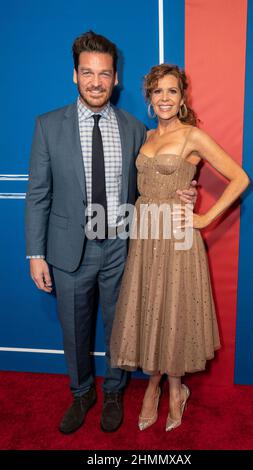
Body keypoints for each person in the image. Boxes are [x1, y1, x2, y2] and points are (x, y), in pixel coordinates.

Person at [25, 32, 197, 434]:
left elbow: (150, 182)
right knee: (74, 329)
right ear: (75, 76)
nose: (96, 82)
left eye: (104, 73)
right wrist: (35, 254)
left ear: (116, 77)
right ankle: (82, 392)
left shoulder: (136, 128)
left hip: (123, 247)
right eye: (88, 73)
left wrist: (183, 191)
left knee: (121, 327)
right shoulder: (48, 126)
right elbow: (38, 195)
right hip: (67, 251)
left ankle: (116, 391)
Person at [110, 64, 250, 431]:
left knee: (173, 309)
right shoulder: (145, 135)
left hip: (177, 236)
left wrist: (204, 218)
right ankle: (153, 385)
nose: (165, 98)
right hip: (145, 235)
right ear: (149, 99)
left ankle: (175, 389)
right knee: (151, 306)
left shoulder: (193, 136)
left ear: (182, 97)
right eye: (158, 92)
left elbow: (240, 178)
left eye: (172, 91)